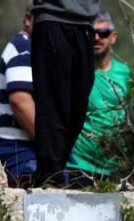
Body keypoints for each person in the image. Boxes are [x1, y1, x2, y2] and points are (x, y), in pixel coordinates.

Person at [30, 0, 100, 184]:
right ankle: (49, 175)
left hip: (85, 23)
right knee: (53, 101)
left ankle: (58, 168)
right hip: (53, 17)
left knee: (78, 106)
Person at [66, 11, 130, 185]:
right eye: (91, 33)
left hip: (116, 167)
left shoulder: (124, 74)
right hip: (80, 164)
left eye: (103, 33)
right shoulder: (75, 73)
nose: (96, 38)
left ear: (113, 37)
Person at [0, 8, 36, 186]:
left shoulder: (27, 47)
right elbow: (20, 101)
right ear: (28, 19)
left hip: (23, 150)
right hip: (20, 152)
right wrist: (51, 146)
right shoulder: (24, 49)